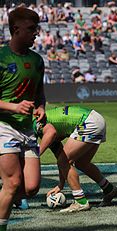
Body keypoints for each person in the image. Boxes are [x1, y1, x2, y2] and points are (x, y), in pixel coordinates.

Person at [0, 7, 45, 230]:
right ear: (16, 30)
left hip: (28, 129)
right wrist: (14, 107)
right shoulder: (0, 57)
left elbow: (39, 93)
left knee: (31, 188)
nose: (35, 33)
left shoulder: (37, 60)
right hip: (4, 126)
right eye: (31, 29)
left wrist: (41, 107)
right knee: (13, 182)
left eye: (36, 29)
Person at [33, 106, 117, 213]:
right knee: (81, 163)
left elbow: (51, 133)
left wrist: (35, 155)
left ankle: (81, 202)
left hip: (88, 122)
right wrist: (60, 184)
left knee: (64, 161)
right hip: (96, 119)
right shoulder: (41, 129)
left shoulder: (35, 123)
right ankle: (109, 189)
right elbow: (61, 156)